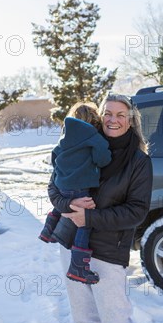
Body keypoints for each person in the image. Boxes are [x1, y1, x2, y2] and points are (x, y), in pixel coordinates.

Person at [48, 93, 154, 323]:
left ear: (131, 119)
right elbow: (55, 186)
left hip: (108, 252)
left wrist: (89, 218)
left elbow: (137, 211)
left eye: (120, 114)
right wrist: (68, 206)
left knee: (116, 321)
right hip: (71, 244)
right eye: (108, 113)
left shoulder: (138, 162)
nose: (113, 119)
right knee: (85, 316)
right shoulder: (85, 141)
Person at [39, 102, 111, 284]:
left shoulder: (64, 138)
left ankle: (48, 230)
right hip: (81, 186)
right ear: (94, 120)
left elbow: (54, 157)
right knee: (84, 224)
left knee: (64, 204)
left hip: (62, 184)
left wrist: (64, 172)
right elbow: (102, 158)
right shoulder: (94, 137)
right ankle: (79, 267)